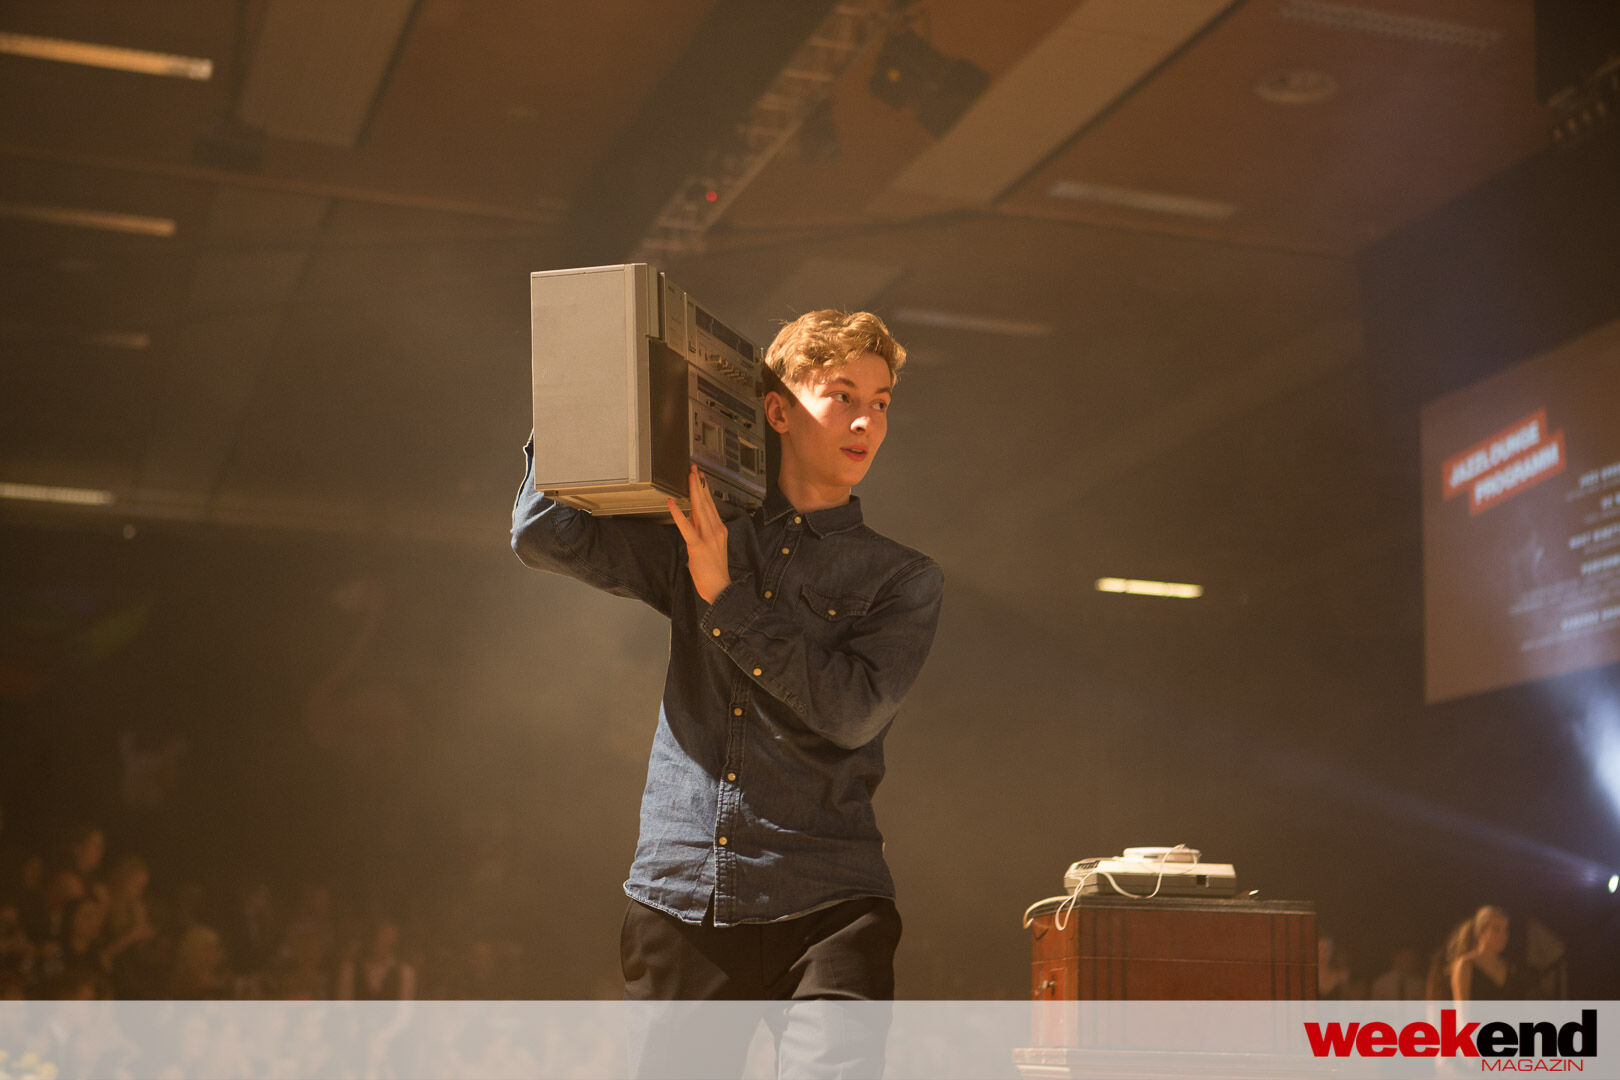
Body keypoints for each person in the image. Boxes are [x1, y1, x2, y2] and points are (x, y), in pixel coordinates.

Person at [512, 309, 944, 1073]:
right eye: (842, 396)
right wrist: (587, 391)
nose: (866, 421)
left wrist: (725, 598)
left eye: (880, 403)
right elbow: (544, 531)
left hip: (831, 905)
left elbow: (850, 713)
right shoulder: (702, 530)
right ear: (778, 410)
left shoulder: (901, 577)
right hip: (684, 894)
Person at [1428, 904, 1519, 1001]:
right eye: (1496, 930)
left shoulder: (1509, 968)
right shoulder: (1465, 964)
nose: (1503, 935)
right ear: (1480, 932)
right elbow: (1462, 1006)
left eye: (1506, 930)